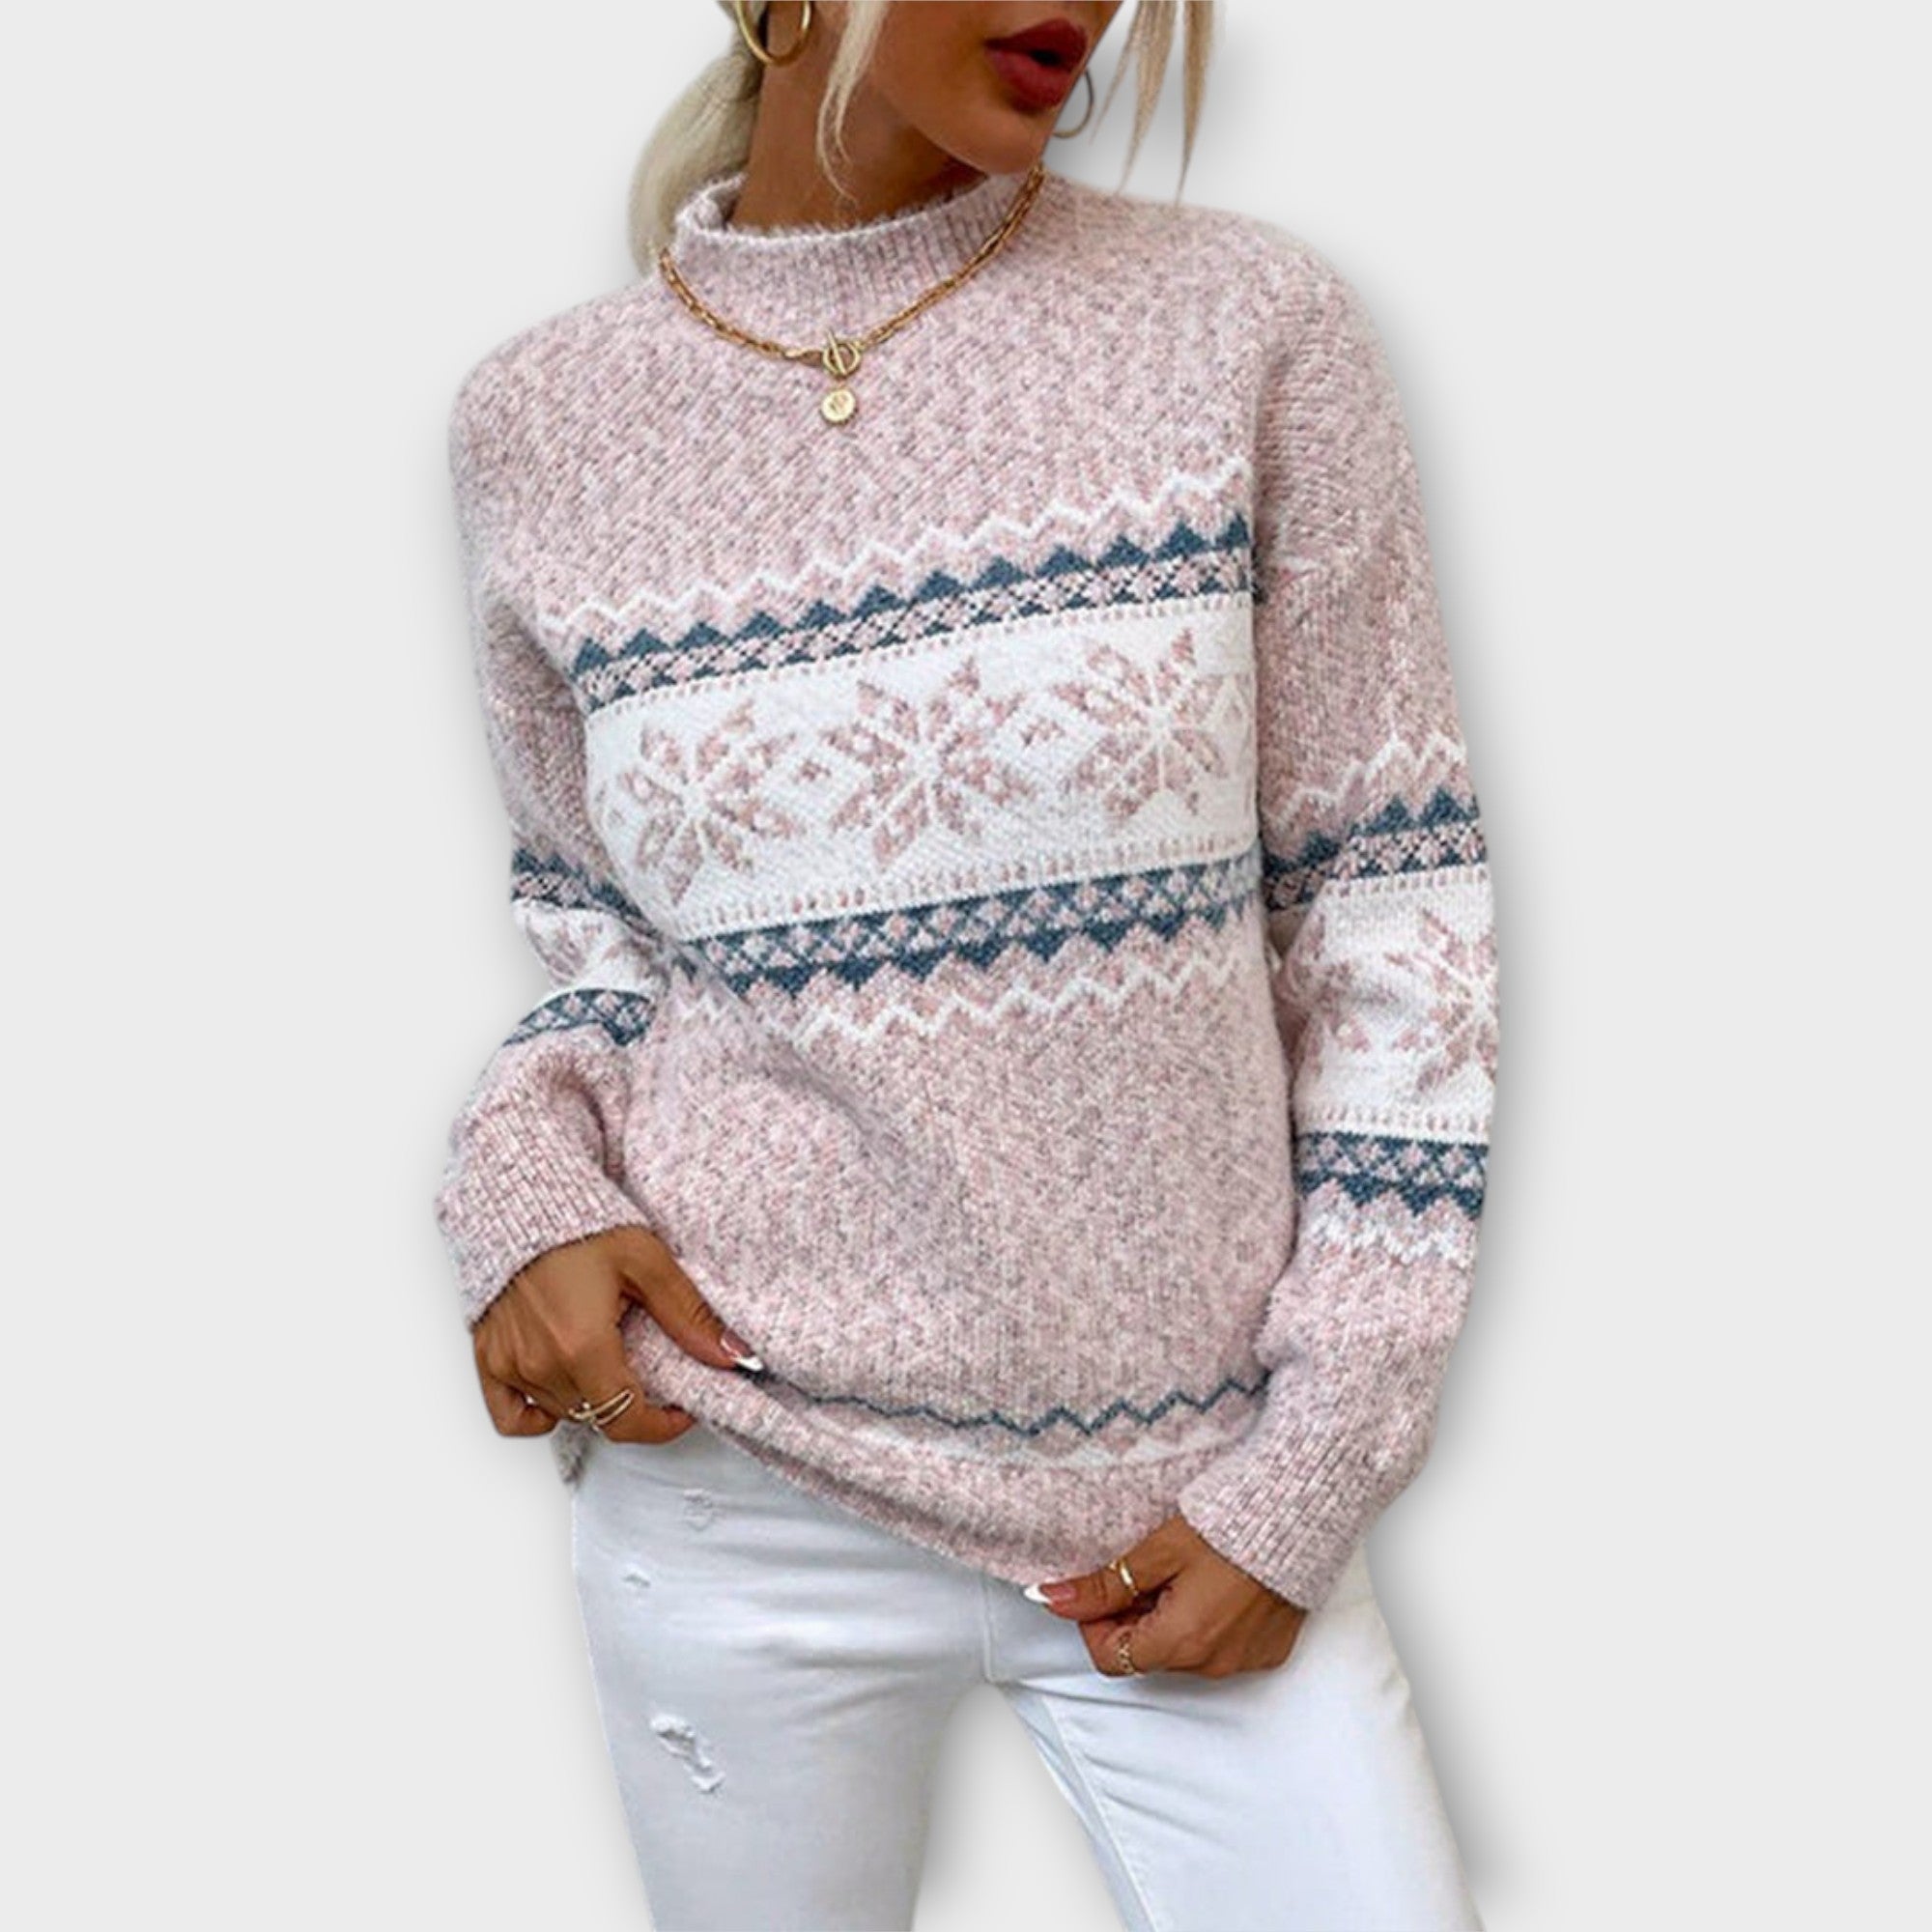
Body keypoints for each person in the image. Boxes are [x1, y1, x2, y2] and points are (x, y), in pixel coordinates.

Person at [433, 2, 1500, 1925]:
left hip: (1202, 1489)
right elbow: (599, 937)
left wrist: (1318, 1461)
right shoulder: (542, 419)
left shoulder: (1242, 325)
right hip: (738, 1484)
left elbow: (1391, 918)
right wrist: (523, 1182)